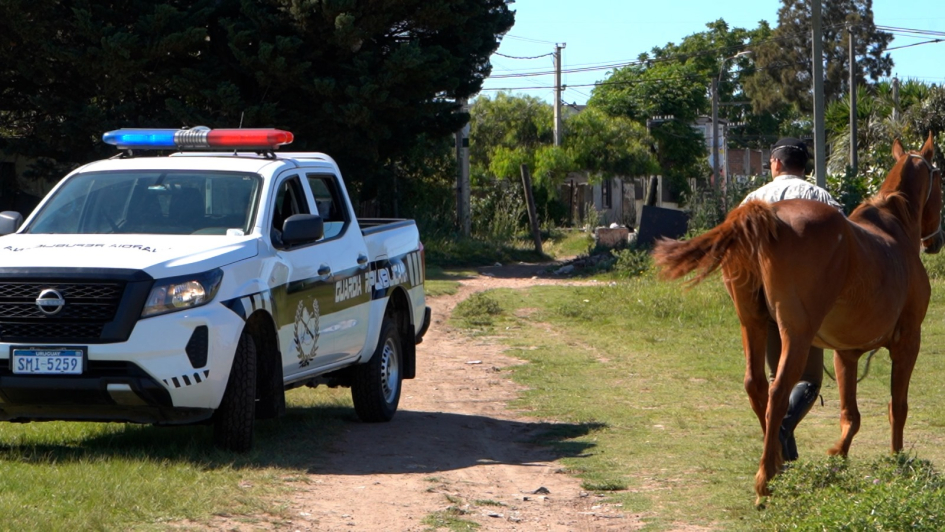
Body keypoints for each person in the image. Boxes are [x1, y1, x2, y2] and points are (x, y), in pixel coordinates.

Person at [741, 137, 843, 462]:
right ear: (805, 167)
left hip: (758, 294)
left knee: (778, 377)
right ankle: (780, 431)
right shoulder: (820, 197)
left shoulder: (752, 199)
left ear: (775, 163)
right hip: (801, 299)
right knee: (808, 379)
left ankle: (786, 453)